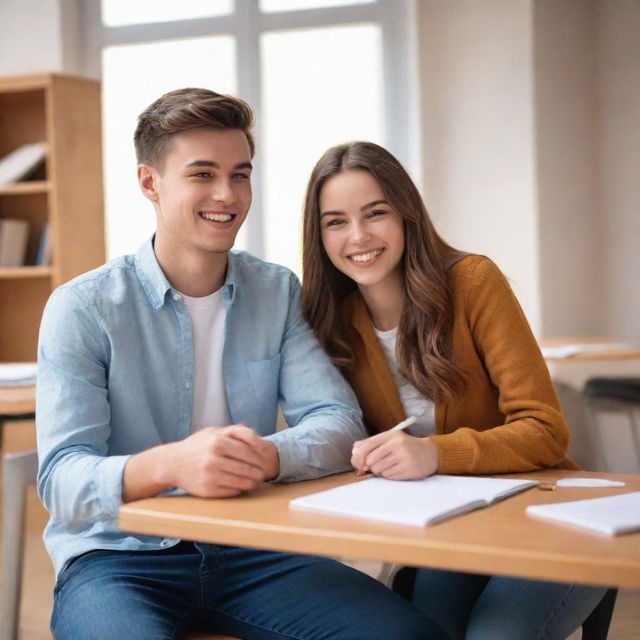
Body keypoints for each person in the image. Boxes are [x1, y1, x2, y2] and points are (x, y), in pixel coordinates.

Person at [36, 91, 447, 640]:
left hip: (256, 550)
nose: (227, 195)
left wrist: (264, 457)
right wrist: (171, 465)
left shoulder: (275, 291)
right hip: (118, 560)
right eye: (202, 174)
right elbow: (61, 479)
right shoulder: (83, 307)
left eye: (240, 174)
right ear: (150, 183)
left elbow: (337, 420)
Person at [300, 140, 607, 640]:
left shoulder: (472, 282)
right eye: (335, 221)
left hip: (548, 517)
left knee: (494, 635)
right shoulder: (331, 321)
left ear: (406, 215)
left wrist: (433, 454)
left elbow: (547, 431)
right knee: (421, 632)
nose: (357, 236)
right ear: (319, 236)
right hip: (453, 524)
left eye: (375, 213)